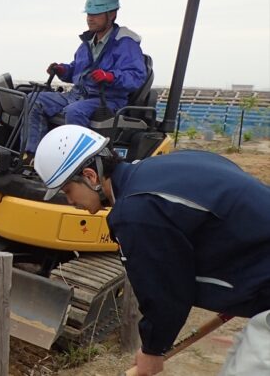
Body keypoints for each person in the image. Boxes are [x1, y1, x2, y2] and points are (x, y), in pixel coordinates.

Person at [32, 125, 270, 376]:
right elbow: (233, 217)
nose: (70, 202)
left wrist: (152, 350)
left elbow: (167, 292)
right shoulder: (172, 164)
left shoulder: (137, 213)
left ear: (90, 176)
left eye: (68, 191)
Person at [22, 0, 147, 159]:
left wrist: (110, 76)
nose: (90, 18)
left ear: (112, 14)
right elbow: (77, 70)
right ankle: (33, 156)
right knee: (34, 100)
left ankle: (75, 165)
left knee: (74, 112)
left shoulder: (125, 43)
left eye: (96, 14)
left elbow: (136, 76)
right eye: (88, 14)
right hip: (78, 95)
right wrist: (62, 70)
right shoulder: (87, 43)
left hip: (106, 100)